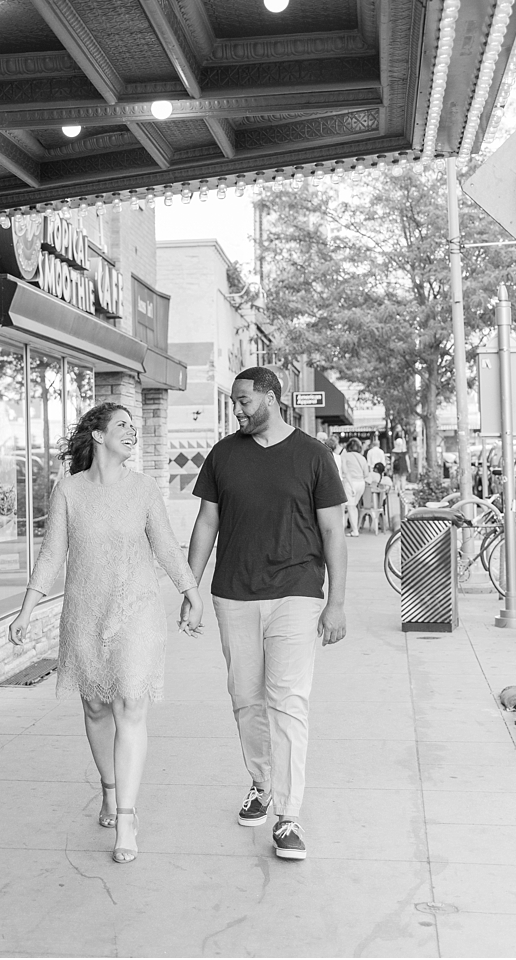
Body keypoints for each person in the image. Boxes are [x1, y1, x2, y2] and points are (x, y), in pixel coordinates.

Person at [8, 403, 203, 864]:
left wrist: (190, 591)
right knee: (96, 706)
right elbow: (53, 555)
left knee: (131, 703)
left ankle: (129, 817)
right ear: (97, 436)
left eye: (135, 427)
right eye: (122, 426)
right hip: (85, 610)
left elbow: (166, 546)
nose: (132, 433)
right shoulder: (70, 491)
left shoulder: (144, 490)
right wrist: (25, 610)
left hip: (136, 608)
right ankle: (111, 789)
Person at [184, 366, 347, 862]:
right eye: (235, 402)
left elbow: (334, 532)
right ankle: (261, 782)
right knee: (246, 699)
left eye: (244, 401)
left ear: (271, 398)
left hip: (296, 591)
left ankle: (289, 817)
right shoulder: (223, 455)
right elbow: (206, 521)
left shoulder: (313, 456)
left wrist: (336, 602)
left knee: (288, 701)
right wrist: (189, 588)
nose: (237, 410)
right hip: (233, 592)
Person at [337, 438, 371, 537]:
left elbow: (344, 470)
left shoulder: (345, 456)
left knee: (350, 507)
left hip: (350, 483)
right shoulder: (362, 458)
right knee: (353, 506)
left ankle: (354, 530)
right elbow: (366, 473)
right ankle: (353, 528)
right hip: (361, 483)